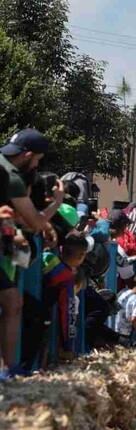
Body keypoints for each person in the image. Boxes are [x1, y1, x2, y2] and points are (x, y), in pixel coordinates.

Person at [0, 129, 63, 371]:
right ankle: (9, 369)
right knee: (12, 302)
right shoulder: (12, 177)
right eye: (37, 159)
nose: (37, 164)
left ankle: (8, 370)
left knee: (12, 301)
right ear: (27, 155)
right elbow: (32, 222)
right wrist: (57, 202)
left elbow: (19, 217)